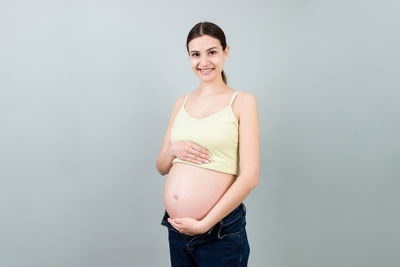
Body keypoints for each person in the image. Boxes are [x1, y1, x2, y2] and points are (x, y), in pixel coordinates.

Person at [156, 21, 260, 267]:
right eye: (195, 54)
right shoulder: (181, 102)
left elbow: (250, 177)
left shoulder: (242, 102)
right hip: (177, 231)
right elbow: (161, 166)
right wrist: (173, 149)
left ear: (225, 52)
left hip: (219, 231)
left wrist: (204, 224)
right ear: (189, 57)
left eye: (212, 52)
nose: (204, 62)